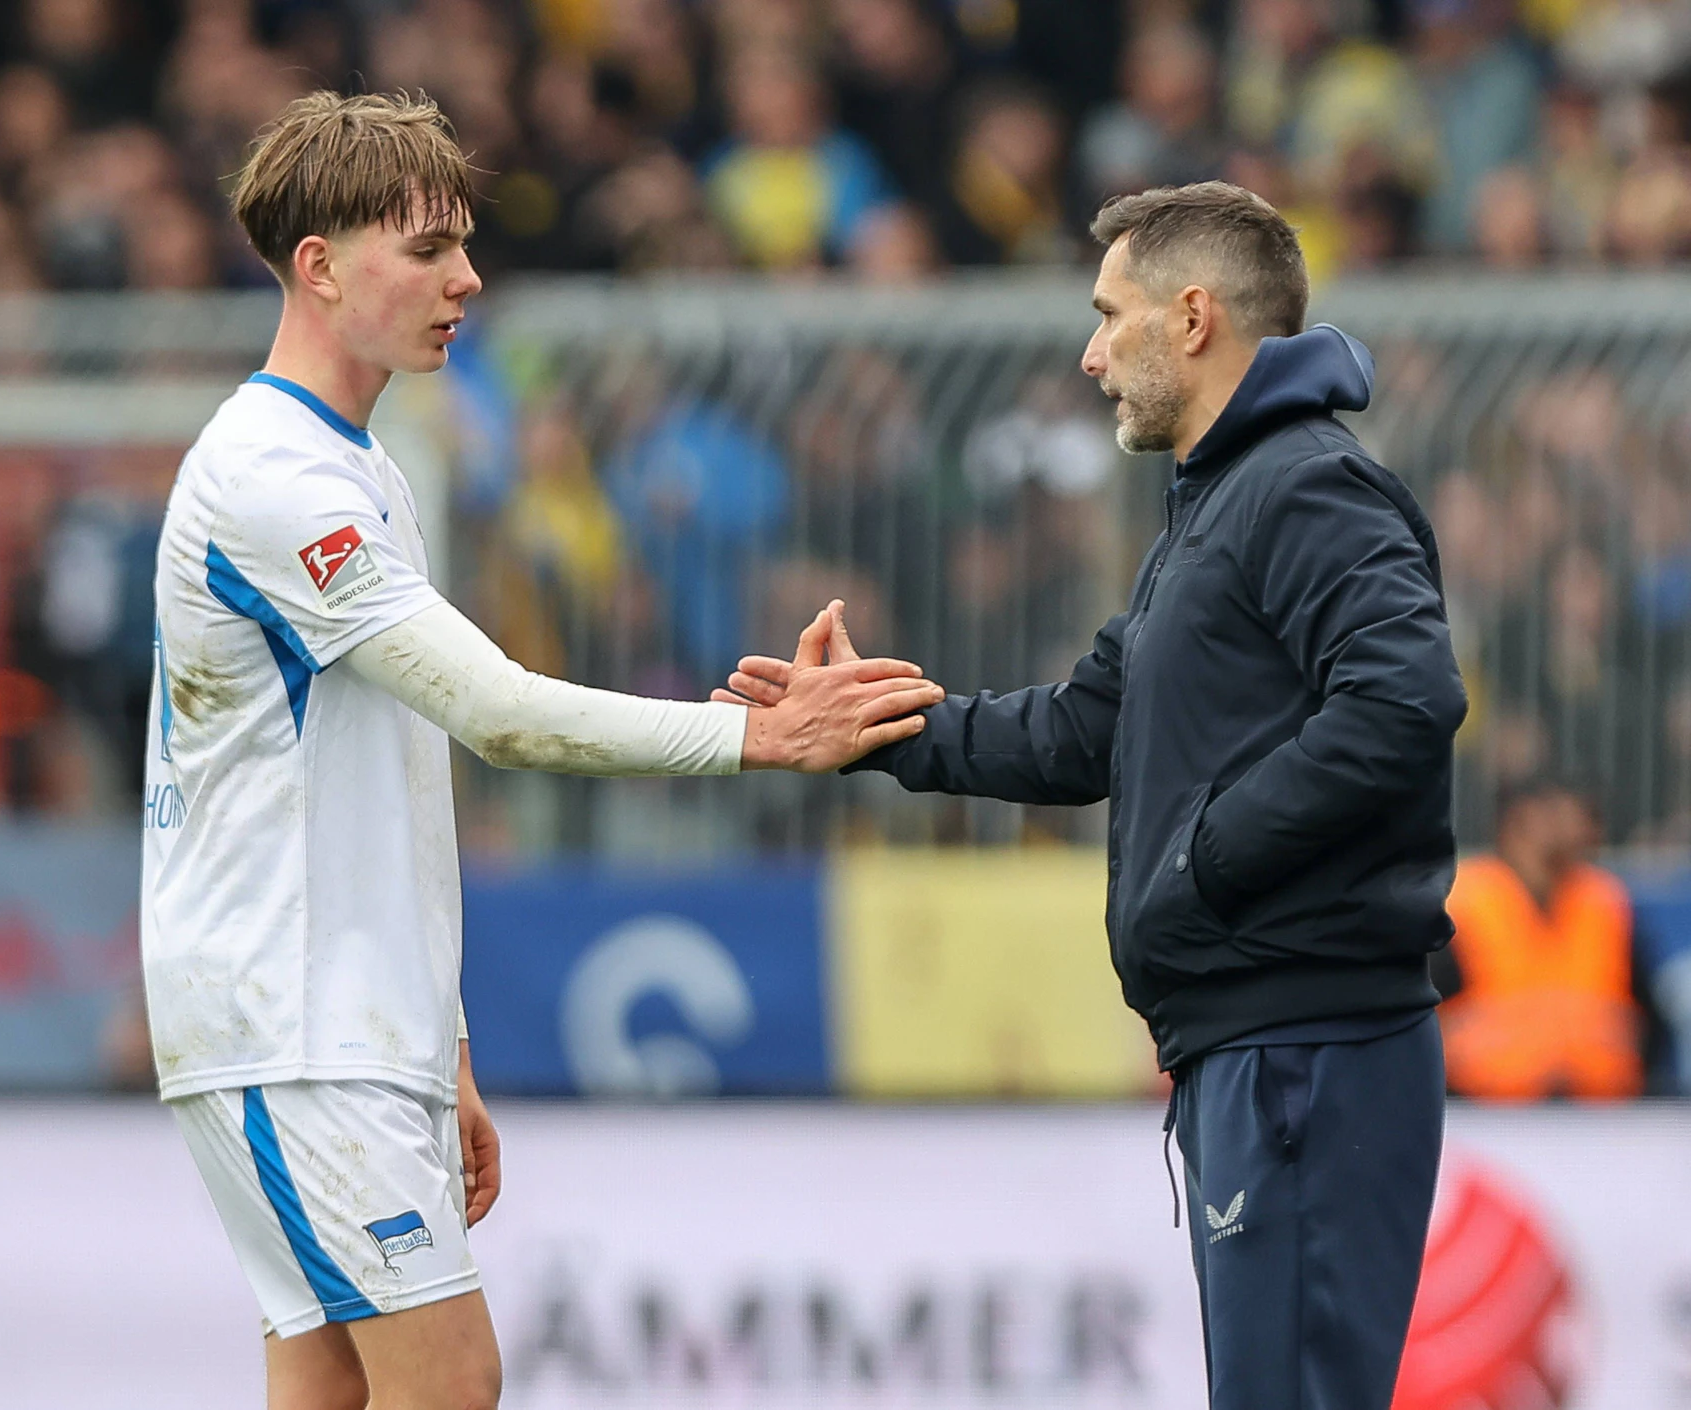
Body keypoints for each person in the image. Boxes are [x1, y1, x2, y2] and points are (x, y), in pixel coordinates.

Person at [140, 90, 943, 1410]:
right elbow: (497, 711)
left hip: (340, 1024)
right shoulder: (276, 479)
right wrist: (763, 736)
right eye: (425, 248)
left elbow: (389, 770)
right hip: (287, 1021)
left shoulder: (361, 465)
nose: (466, 278)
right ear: (321, 267)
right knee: (447, 1381)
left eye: (463, 244)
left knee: (333, 1386)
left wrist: (435, 1048)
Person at [718, 181, 1467, 1410]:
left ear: (1190, 319)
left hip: (1307, 1045)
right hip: (1261, 1043)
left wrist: (1202, 862)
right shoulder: (1217, 508)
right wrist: (876, 730)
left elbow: (1402, 704)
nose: (1087, 352)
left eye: (1106, 315)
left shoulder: (1303, 487)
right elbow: (1083, 733)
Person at [1436, 776, 1650, 1099]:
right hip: (1484, 1110)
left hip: (1601, 1113)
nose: (1574, 822)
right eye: (1551, 811)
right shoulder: (1466, 902)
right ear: (1514, 823)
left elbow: (1646, 1013)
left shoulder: (1604, 900)